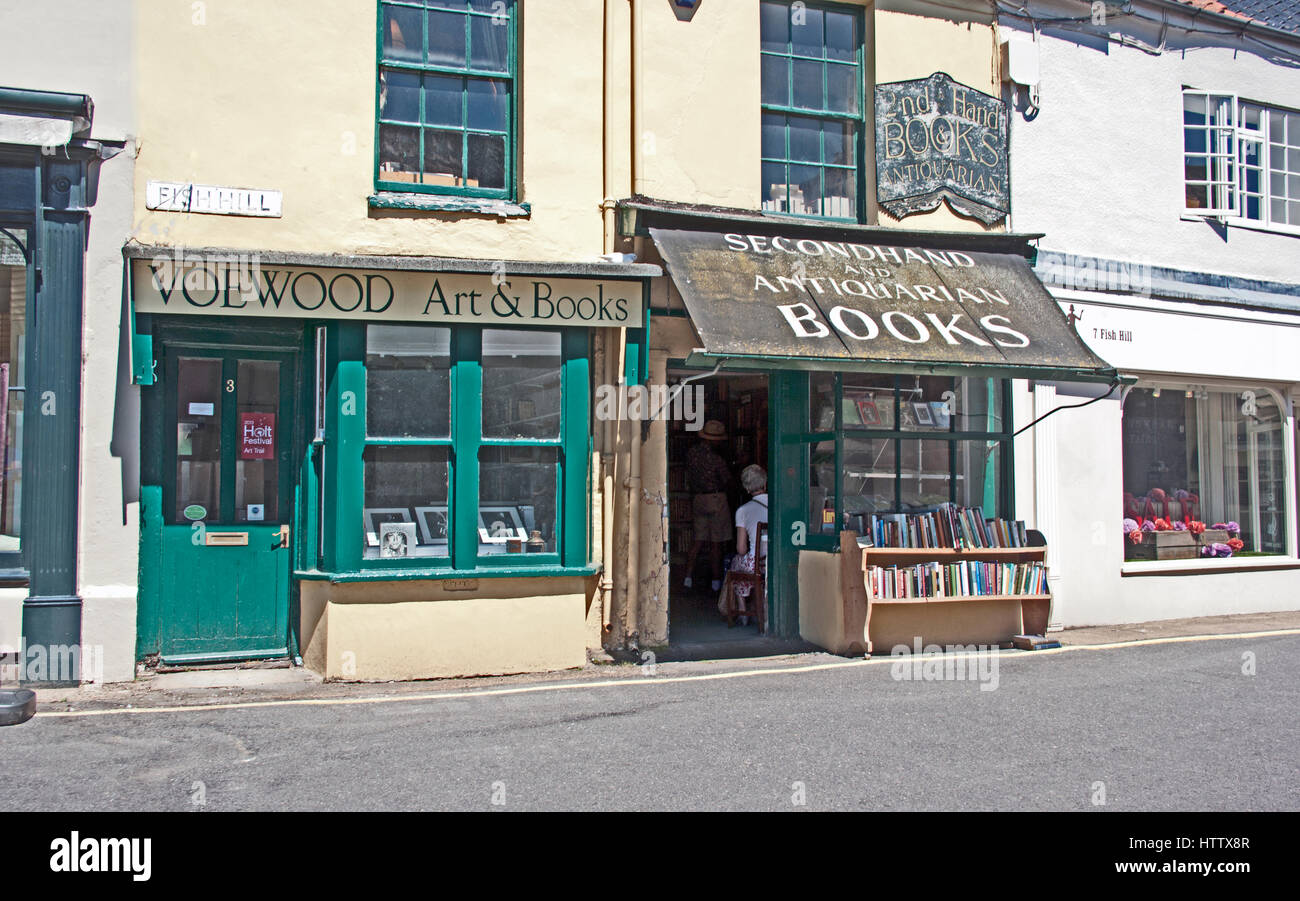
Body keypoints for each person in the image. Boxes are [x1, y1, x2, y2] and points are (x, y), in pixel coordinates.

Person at [683, 419, 732, 593]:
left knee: (697, 540)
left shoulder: (691, 454)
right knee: (716, 542)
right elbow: (727, 480)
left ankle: (687, 579)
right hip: (716, 498)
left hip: (698, 499)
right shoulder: (716, 459)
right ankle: (716, 583)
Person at [724, 465, 768, 626]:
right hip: (772, 562)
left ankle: (743, 610)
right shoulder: (777, 505)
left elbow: (741, 549)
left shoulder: (743, 511)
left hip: (756, 564)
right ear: (765, 483)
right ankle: (761, 605)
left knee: (736, 563)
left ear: (746, 488)